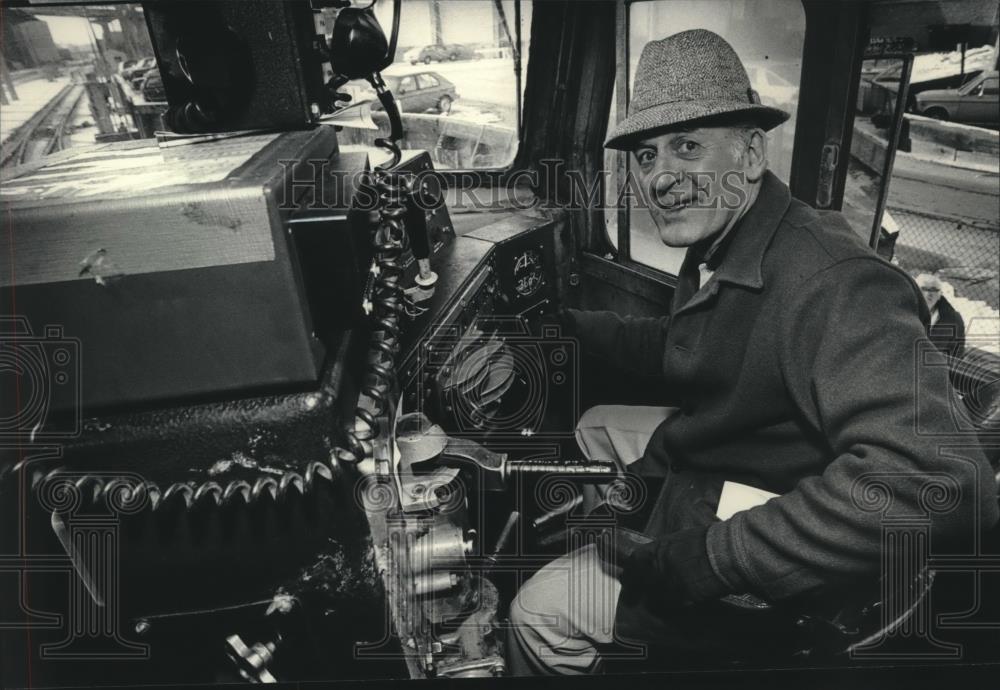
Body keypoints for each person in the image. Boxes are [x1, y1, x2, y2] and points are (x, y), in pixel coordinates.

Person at [507, 29, 997, 675]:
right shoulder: (724, 241)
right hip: (737, 447)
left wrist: (710, 558)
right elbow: (685, 344)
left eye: (687, 146)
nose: (660, 178)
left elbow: (943, 484)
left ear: (751, 152)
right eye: (646, 156)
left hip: (782, 524)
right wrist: (567, 325)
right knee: (594, 424)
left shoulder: (831, 280)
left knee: (534, 613)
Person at [915, 272, 966, 359]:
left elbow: (957, 353)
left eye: (933, 290)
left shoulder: (954, 320)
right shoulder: (903, 311)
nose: (928, 294)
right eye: (923, 289)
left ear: (940, 295)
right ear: (915, 291)